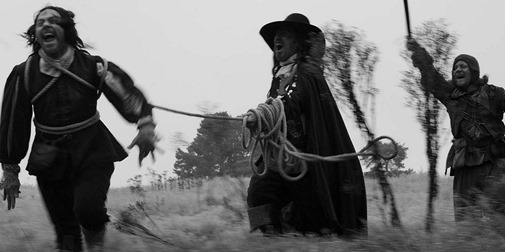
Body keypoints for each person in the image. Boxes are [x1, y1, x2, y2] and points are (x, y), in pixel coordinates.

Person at [0, 6, 158, 251]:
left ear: (66, 30)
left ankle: (96, 246)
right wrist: (10, 168)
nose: (46, 26)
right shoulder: (25, 73)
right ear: (36, 33)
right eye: (41, 22)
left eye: (53, 21)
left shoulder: (95, 67)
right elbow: (13, 122)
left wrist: (145, 126)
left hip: (92, 151)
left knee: (89, 210)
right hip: (48, 158)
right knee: (66, 233)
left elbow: (129, 98)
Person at [245, 13, 367, 237]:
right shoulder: (279, 75)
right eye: (276, 37)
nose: (277, 39)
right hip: (279, 155)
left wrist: (264, 113)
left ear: (299, 43)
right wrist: (259, 118)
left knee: (316, 216)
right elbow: (279, 105)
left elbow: (294, 102)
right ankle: (274, 240)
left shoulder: (307, 73)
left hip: (305, 158)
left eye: (284, 35)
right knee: (259, 193)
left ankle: (318, 237)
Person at [407, 38, 505, 221]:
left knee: (500, 219)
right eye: (455, 67)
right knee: (466, 219)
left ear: (474, 71)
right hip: (465, 164)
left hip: (496, 163)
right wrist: (419, 54)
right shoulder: (451, 96)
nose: (458, 70)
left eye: (463, 66)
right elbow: (432, 79)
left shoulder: (494, 93)